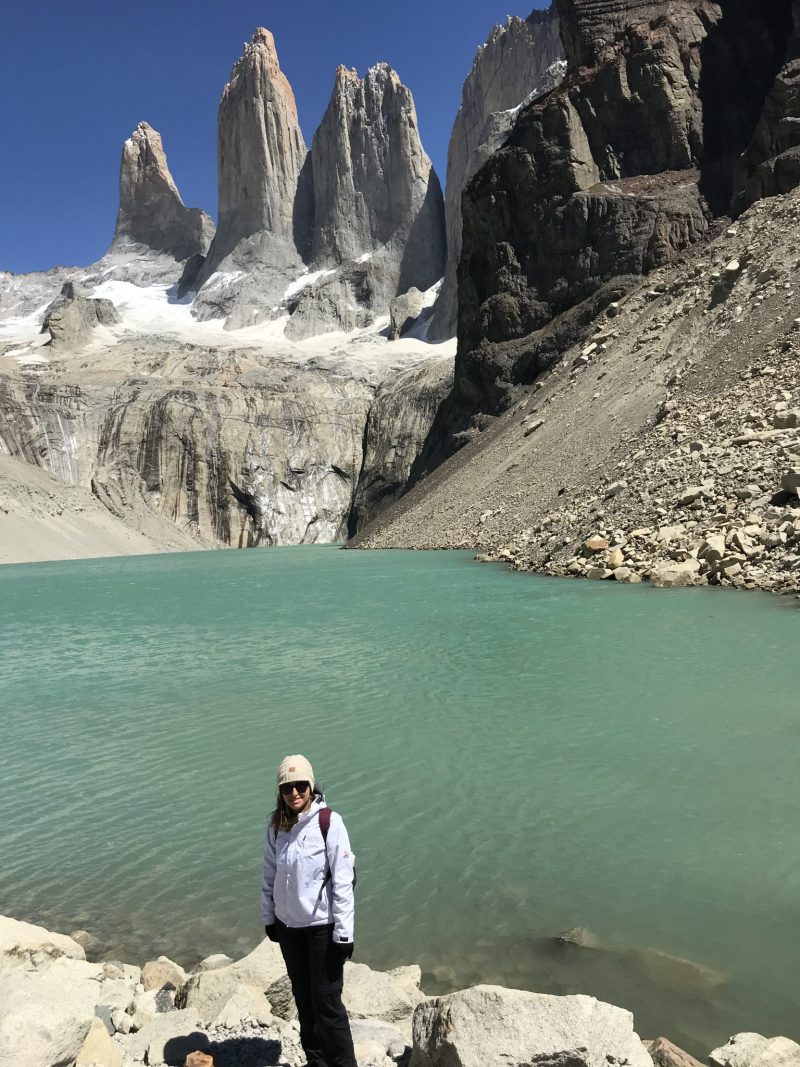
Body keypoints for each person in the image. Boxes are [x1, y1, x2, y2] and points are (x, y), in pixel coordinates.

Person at [261, 754, 357, 1067]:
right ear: (281, 792)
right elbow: (269, 875)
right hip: (289, 928)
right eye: (287, 788)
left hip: (322, 928)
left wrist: (344, 933)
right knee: (304, 1002)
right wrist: (269, 919)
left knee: (327, 1004)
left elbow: (342, 881)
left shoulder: (329, 822)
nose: (294, 793)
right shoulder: (276, 826)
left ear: (311, 785)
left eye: (300, 785)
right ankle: (316, 1062)